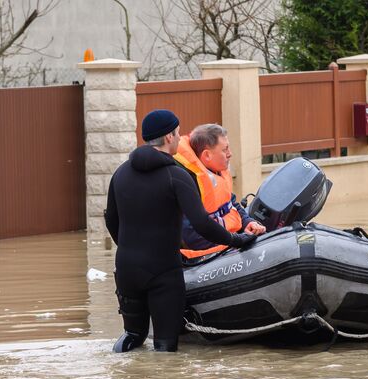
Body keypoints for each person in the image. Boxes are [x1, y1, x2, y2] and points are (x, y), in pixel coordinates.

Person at [104, 109, 257, 353]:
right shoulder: (177, 176)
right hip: (163, 272)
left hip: (126, 270)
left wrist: (129, 250)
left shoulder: (120, 173)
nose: (178, 138)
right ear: (168, 137)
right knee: (165, 347)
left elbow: (111, 220)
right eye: (177, 133)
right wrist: (238, 240)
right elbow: (202, 225)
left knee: (132, 336)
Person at [174, 124, 266, 258]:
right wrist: (234, 241)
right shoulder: (188, 183)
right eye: (225, 150)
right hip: (205, 256)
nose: (230, 154)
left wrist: (247, 222)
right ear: (207, 155)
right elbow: (192, 237)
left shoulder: (217, 172)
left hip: (229, 241)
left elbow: (230, 203)